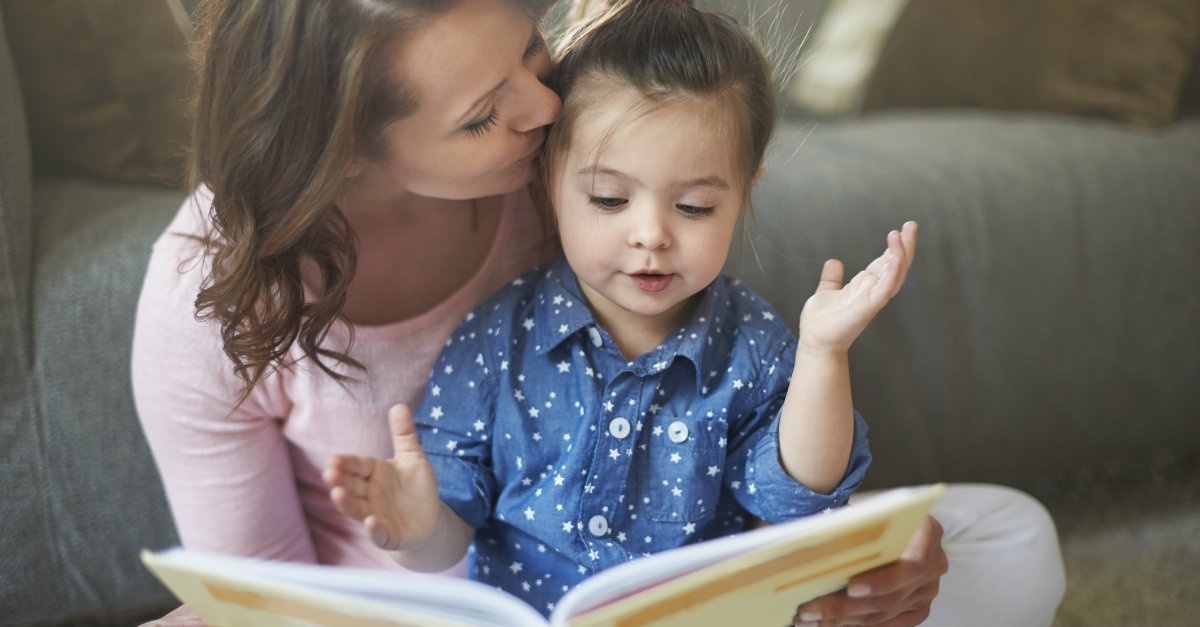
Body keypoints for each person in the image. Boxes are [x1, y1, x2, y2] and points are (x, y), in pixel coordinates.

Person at [134, 0, 1063, 625]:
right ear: (341, 151)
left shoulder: (578, 155)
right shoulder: (209, 296)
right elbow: (258, 603)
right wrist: (414, 525)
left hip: (685, 584)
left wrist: (866, 547)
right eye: (481, 115)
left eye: (532, 50)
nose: (546, 106)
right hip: (442, 605)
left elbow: (777, 487)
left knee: (1003, 534)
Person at [325, 0, 913, 615]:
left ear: (744, 192)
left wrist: (823, 353)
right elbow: (448, 531)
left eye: (694, 208)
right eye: (609, 199)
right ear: (546, 182)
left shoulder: (753, 349)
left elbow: (797, 500)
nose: (652, 236)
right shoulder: (497, 337)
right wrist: (416, 530)